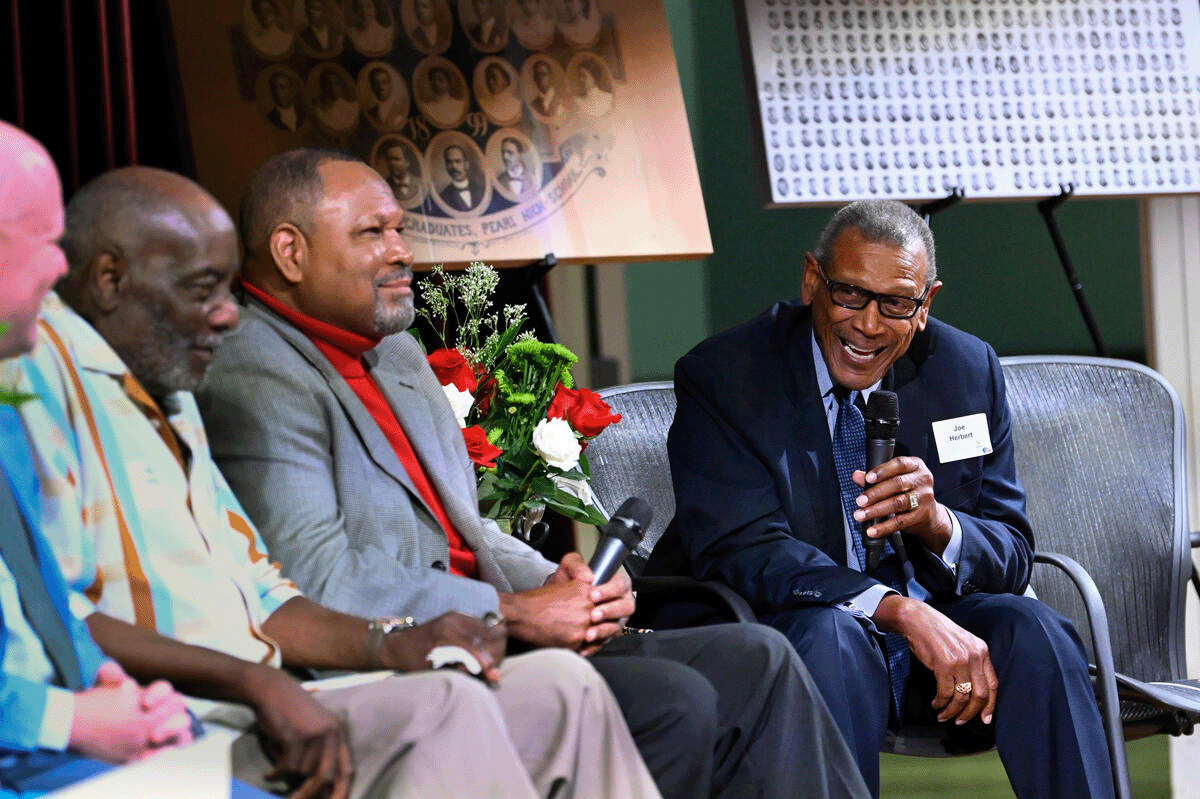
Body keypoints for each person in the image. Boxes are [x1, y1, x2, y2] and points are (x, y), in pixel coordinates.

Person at [197, 146, 872, 799]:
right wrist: (516, 612)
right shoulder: (255, 374)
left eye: (400, 229)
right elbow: (319, 581)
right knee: (677, 699)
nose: (402, 250)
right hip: (397, 660)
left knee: (760, 658)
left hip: (496, 631)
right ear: (290, 251)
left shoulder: (394, 352)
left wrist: (563, 587)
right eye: (373, 233)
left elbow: (470, 530)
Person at [12, 164, 667, 799]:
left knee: (565, 690)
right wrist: (259, 683)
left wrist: (399, 640)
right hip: (179, 716)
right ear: (110, 279)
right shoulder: (35, 380)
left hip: (268, 686)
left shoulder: (169, 383)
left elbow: (267, 594)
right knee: (447, 705)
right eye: (202, 288)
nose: (227, 315)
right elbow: (63, 611)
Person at [646, 200, 1116, 799]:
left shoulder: (965, 368)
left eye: (895, 303)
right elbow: (744, 546)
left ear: (926, 304)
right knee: (832, 637)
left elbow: (1012, 549)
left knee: (1037, 630)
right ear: (812, 280)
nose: (868, 325)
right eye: (849, 295)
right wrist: (897, 610)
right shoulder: (729, 375)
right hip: (799, 634)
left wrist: (939, 524)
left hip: (934, 649)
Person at [0, 118, 201, 799]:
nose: (63, 266)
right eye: (45, 239)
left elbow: (42, 597)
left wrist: (107, 685)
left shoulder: (4, 412)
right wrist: (71, 719)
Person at [438, 144, 486, 211]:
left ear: (466, 164)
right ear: (446, 166)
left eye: (458, 161)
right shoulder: (442, 197)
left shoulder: (482, 189)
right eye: (449, 162)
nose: (453, 166)